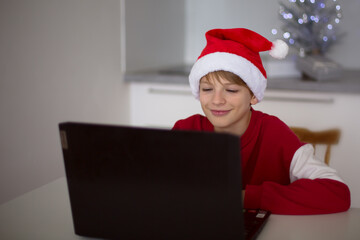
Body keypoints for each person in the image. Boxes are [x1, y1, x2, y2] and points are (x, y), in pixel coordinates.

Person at [172, 28, 350, 215]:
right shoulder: (186, 130)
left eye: (231, 90)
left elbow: (337, 193)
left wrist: (244, 197)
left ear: (253, 96)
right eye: (207, 89)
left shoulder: (275, 134)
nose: (217, 100)